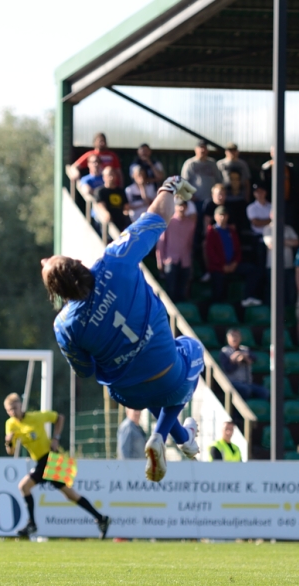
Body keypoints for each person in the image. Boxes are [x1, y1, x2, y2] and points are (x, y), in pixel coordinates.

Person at [43, 176, 203, 483]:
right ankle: (161, 435)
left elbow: (85, 370)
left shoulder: (64, 326)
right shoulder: (114, 260)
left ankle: (183, 438)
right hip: (165, 371)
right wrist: (168, 187)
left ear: (59, 294)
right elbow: (158, 216)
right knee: (192, 351)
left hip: (127, 392)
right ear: (79, 263)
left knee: (146, 379)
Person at [3, 393, 110, 539]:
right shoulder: (10, 424)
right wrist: (8, 442)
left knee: (24, 486)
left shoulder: (35, 417)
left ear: (20, 405)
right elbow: (11, 451)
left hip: (51, 458)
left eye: (15, 408)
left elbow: (59, 418)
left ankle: (32, 524)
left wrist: (56, 438)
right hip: (42, 461)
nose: (13, 412)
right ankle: (101, 518)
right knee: (70, 494)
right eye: (9, 410)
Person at [204, 206, 262, 307]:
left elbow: (237, 250)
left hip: (233, 265)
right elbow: (211, 253)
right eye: (220, 215)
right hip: (218, 267)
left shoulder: (231, 231)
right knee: (218, 289)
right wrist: (223, 265)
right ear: (215, 217)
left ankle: (247, 297)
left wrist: (234, 263)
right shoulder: (212, 232)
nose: (223, 218)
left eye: (225, 215)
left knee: (253, 270)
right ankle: (218, 310)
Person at [155, 197, 196, 303]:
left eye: (184, 206)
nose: (182, 208)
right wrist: (160, 261)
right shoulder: (168, 221)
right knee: (171, 291)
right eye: (179, 206)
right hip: (170, 260)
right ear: (175, 207)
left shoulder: (191, 224)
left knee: (182, 291)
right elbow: (161, 242)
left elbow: (190, 244)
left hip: (185, 261)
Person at [219, 328, 269, 400]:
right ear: (228, 338)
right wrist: (237, 361)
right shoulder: (224, 351)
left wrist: (243, 356)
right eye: (232, 336)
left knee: (264, 392)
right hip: (232, 382)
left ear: (240, 338)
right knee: (245, 390)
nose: (234, 338)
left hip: (247, 382)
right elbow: (228, 369)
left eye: (236, 336)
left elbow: (254, 359)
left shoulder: (245, 349)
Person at [262, 212, 299, 306]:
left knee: (289, 292)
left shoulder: (288, 228)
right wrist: (287, 241)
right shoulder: (267, 229)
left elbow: (296, 242)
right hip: (273, 266)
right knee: (273, 292)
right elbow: (270, 244)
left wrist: (279, 240)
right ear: (271, 215)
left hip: (288, 266)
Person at [181, 139, 223, 203]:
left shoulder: (212, 163)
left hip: (211, 200)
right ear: (196, 149)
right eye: (201, 147)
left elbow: (218, 181)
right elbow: (184, 183)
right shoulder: (190, 163)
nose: (203, 150)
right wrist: (190, 196)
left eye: (205, 148)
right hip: (196, 200)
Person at [94, 167, 130, 233]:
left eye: (113, 175)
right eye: (109, 175)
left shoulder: (121, 191)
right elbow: (100, 205)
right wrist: (106, 214)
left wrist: (126, 213)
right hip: (107, 223)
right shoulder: (100, 191)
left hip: (120, 222)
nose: (111, 178)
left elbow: (126, 206)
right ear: (104, 177)